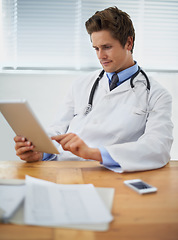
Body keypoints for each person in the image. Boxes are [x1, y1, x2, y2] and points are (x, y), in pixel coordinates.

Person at [14, 6, 173, 172]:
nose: (100, 56)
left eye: (107, 47)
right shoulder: (82, 84)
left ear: (128, 42)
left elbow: (157, 148)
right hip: (64, 172)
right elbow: (57, 131)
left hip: (108, 174)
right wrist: (40, 152)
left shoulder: (157, 95)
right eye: (96, 48)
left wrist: (93, 153)